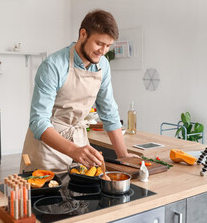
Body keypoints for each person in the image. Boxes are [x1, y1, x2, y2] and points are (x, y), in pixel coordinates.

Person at [20, 9, 136, 173]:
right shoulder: (53, 66)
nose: (103, 51)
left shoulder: (103, 65)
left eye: (108, 46)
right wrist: (73, 150)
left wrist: (124, 156)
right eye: (99, 43)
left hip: (80, 143)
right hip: (47, 148)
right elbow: (38, 122)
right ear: (83, 34)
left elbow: (109, 112)